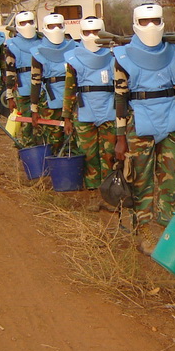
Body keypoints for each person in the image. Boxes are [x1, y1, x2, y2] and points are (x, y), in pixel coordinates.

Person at [113, 3, 175, 254]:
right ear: (135, 23)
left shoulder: (174, 51)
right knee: (141, 178)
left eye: (155, 20)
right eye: (145, 21)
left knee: (171, 175)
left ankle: (168, 220)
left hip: (169, 116)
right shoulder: (122, 55)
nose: (150, 26)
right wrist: (120, 137)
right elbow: (120, 97)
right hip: (139, 119)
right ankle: (143, 228)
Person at [62, 16, 116, 210]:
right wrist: (66, 117)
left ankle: (110, 196)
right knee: (88, 155)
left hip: (109, 110)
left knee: (109, 154)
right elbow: (69, 89)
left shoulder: (113, 54)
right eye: (87, 32)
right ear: (81, 33)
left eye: (96, 32)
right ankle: (94, 195)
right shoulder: (73, 58)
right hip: (84, 112)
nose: (92, 36)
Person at [30, 14, 78, 154]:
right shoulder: (37, 52)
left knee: (73, 138)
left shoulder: (74, 47)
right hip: (49, 100)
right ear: (45, 28)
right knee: (54, 138)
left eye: (59, 25)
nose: (56, 29)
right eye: (52, 26)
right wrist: (34, 109)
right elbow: (35, 82)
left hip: (72, 98)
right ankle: (55, 168)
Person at [5, 10, 42, 148]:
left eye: (30, 22)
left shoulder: (43, 41)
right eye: (23, 23)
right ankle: (28, 152)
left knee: (43, 124)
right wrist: (10, 96)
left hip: (43, 89)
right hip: (23, 89)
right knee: (27, 126)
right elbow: (10, 71)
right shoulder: (11, 45)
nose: (27, 25)